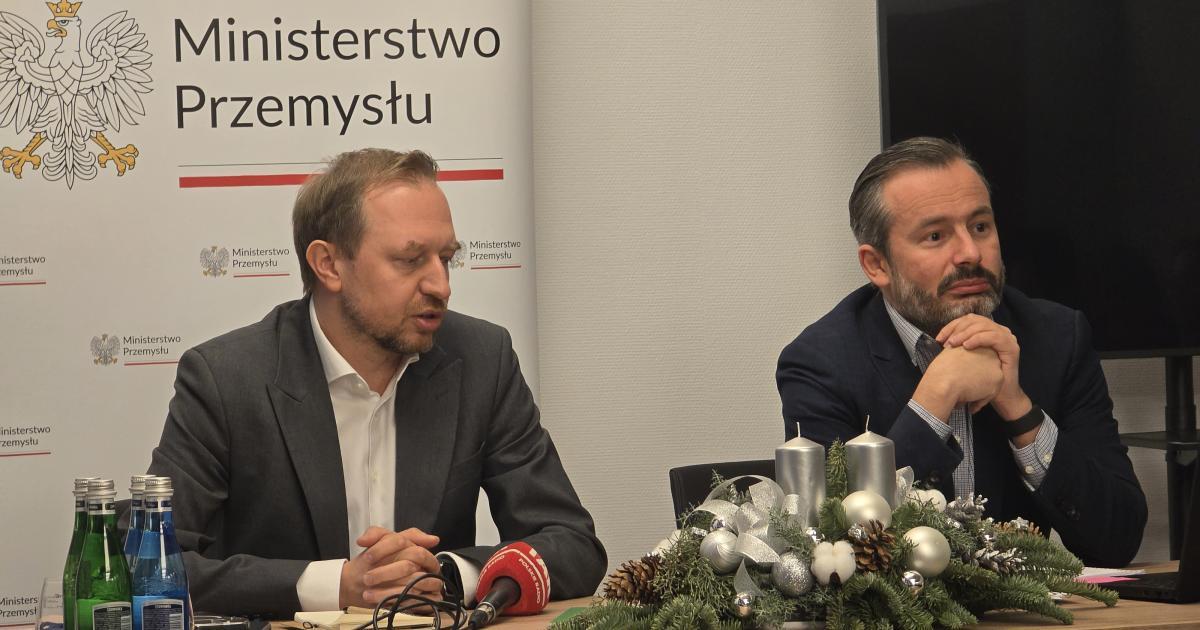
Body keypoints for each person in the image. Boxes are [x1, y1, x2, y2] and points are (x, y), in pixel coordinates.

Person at [147, 148, 606, 615]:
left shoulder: (482, 360)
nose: (441, 285)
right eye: (410, 260)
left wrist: (448, 575)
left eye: (446, 258)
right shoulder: (226, 379)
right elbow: (151, 565)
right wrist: (337, 585)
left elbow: (572, 545)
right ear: (329, 264)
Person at [776, 137, 1147, 567]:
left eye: (981, 227)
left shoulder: (1057, 337)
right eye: (935, 236)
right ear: (877, 265)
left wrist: (1019, 409)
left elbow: (1119, 540)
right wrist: (934, 399)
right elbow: (832, 556)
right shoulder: (821, 364)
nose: (970, 253)